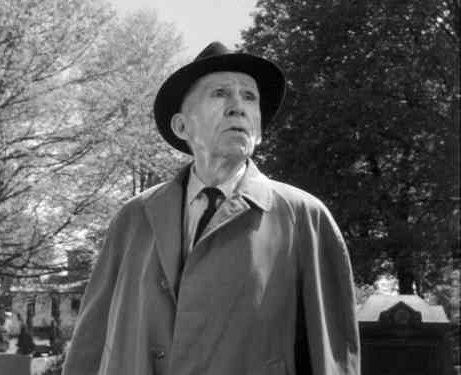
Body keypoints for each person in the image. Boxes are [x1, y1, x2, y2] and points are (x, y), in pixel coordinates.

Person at [63, 42, 360, 375]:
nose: (238, 107)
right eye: (220, 93)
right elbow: (91, 339)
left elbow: (329, 353)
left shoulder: (303, 216)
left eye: (249, 97)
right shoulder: (133, 217)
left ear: (259, 128)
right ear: (181, 126)